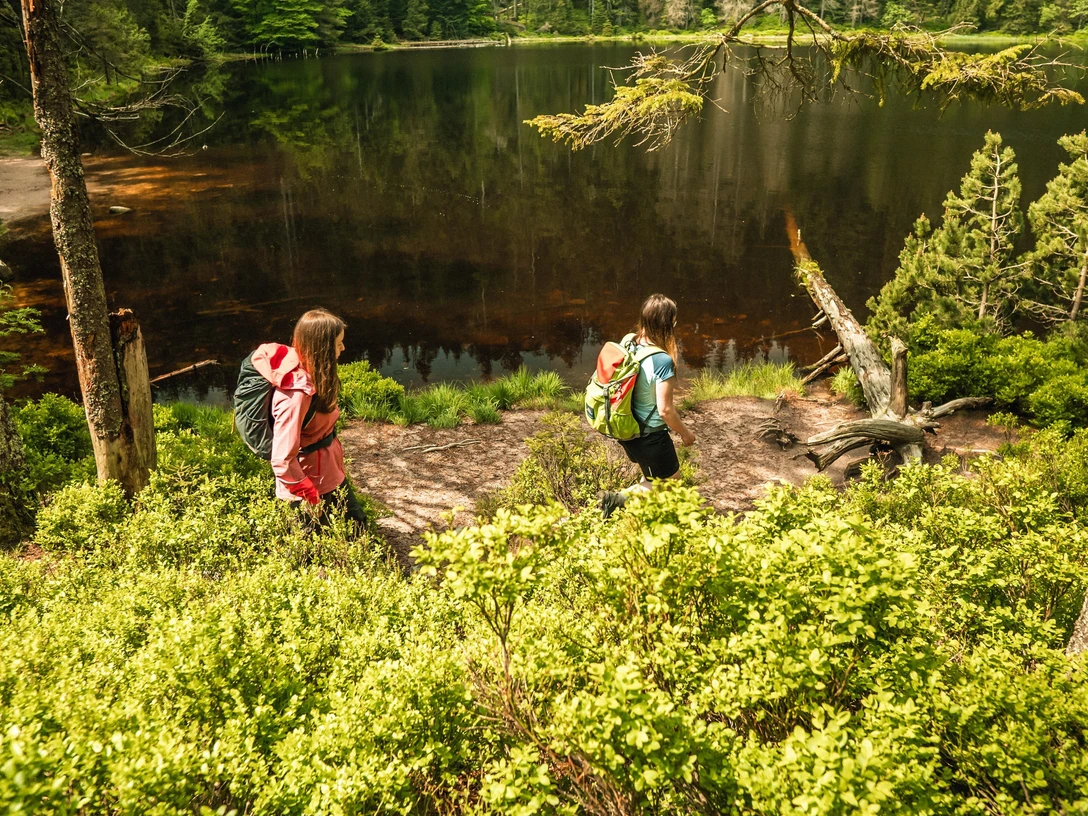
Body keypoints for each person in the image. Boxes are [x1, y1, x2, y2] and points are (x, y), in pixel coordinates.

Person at [250, 308, 368, 532]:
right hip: (307, 483)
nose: (343, 347)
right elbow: (282, 459)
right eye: (338, 343)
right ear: (321, 348)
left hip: (329, 473)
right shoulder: (296, 395)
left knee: (356, 524)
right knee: (311, 546)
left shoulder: (314, 373)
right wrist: (308, 494)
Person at [600, 293, 696, 518]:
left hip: (627, 428)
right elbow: (665, 410)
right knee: (670, 485)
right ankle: (615, 501)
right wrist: (686, 433)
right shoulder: (661, 360)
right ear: (667, 324)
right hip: (650, 436)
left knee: (652, 477)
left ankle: (645, 520)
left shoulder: (629, 341)